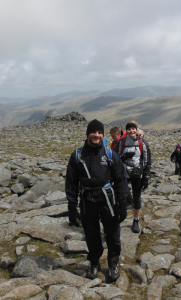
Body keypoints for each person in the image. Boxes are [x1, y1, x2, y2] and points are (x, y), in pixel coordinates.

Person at [66, 119, 128, 282]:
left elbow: (121, 178)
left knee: (113, 235)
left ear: (103, 135)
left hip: (108, 200)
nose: (97, 135)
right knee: (91, 235)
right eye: (94, 132)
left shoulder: (109, 154)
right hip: (87, 201)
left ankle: (113, 263)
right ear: (88, 134)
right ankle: (94, 263)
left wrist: (122, 204)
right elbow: (71, 182)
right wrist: (72, 207)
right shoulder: (77, 155)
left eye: (100, 132)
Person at [114, 120, 151, 233]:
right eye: (129, 129)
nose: (131, 131)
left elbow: (147, 160)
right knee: (120, 194)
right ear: (126, 130)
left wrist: (146, 176)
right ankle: (118, 218)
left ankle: (136, 220)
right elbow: (114, 156)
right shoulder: (122, 142)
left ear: (136, 129)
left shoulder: (142, 142)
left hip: (137, 172)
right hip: (124, 172)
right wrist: (124, 156)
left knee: (137, 196)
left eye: (133, 128)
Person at [110, 126, 133, 210]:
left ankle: (129, 202)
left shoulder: (125, 141)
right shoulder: (115, 142)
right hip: (118, 166)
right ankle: (125, 201)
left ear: (118, 134)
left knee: (123, 185)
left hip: (125, 166)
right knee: (122, 184)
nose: (112, 138)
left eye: (113, 136)